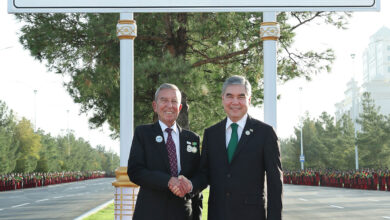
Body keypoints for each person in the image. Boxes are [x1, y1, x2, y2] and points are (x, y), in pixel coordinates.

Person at [190, 75, 283, 220]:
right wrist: (190, 185)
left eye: (241, 96)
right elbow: (204, 174)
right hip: (218, 214)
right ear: (223, 99)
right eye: (229, 96)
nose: (235, 102)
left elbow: (275, 184)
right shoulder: (211, 134)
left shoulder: (265, 133)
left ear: (249, 100)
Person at [127, 83, 202, 220]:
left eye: (174, 101)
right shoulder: (143, 134)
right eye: (164, 100)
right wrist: (168, 181)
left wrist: (190, 187)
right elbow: (135, 171)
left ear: (179, 108)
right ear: (155, 106)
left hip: (184, 215)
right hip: (149, 213)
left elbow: (200, 178)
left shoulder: (193, 139)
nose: (169, 105)